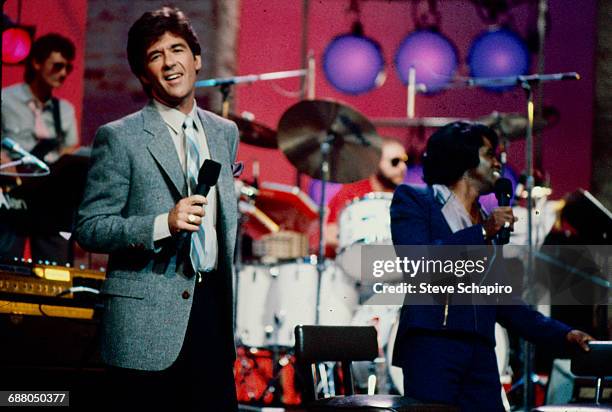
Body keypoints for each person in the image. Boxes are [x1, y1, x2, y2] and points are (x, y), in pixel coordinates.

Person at [75, 6, 239, 411]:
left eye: (177, 49)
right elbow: (90, 227)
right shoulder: (120, 137)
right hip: (145, 328)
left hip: (212, 318)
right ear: (144, 73)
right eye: (155, 56)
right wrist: (161, 224)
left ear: (196, 59)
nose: (169, 63)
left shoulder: (224, 133)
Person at [390, 121, 593, 411]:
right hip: (433, 345)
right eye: (489, 153)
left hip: (481, 351)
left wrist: (561, 334)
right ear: (463, 157)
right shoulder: (416, 201)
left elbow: (502, 301)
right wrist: (482, 233)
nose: (498, 161)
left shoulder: (485, 218)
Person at [1, 33, 78, 262]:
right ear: (36, 63)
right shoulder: (6, 99)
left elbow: (70, 148)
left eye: (67, 68)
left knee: (54, 268)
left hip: (47, 200)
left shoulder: (64, 110)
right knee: (6, 265)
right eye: (57, 66)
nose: (63, 73)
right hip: (10, 196)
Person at [325, 137, 407, 255]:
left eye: (405, 160)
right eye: (395, 161)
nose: (403, 167)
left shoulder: (405, 199)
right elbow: (329, 235)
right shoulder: (351, 192)